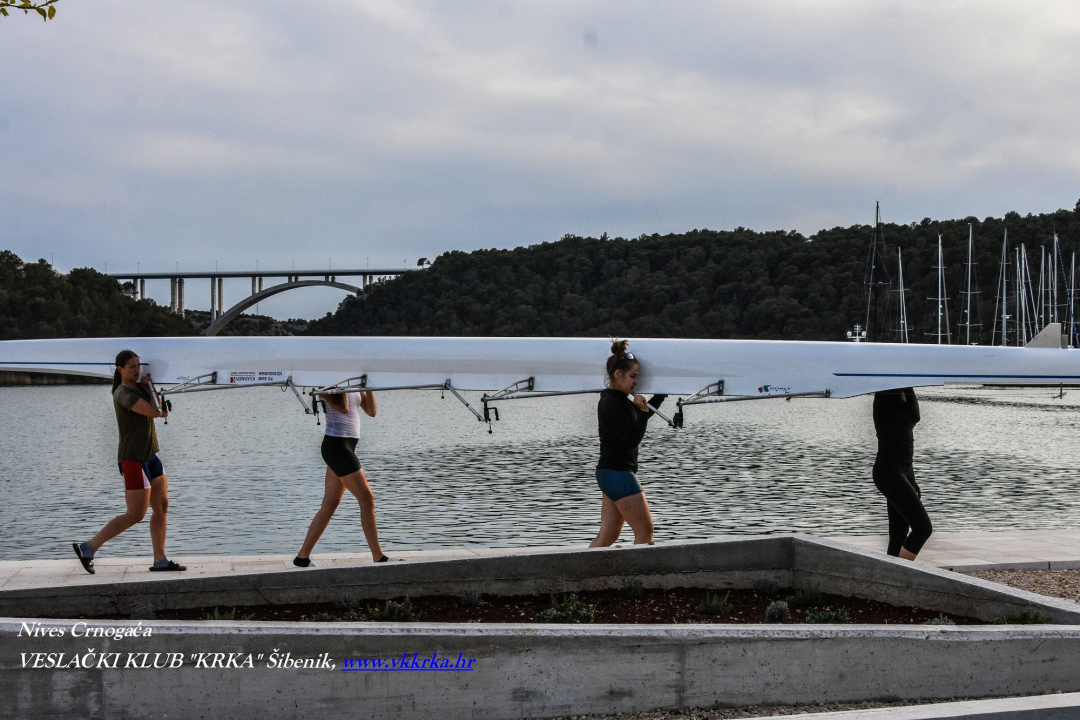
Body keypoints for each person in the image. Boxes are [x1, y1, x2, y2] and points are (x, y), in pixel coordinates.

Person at [72, 349, 185, 574]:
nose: (136, 370)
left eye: (138, 365)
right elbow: (155, 411)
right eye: (131, 367)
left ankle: (160, 560)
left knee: (161, 506)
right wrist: (156, 402)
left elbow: (159, 407)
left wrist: (148, 387)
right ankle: (89, 548)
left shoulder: (138, 388)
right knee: (136, 514)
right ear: (120, 369)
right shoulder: (122, 393)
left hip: (151, 455)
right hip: (132, 458)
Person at [294, 389, 398, 566]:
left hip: (348, 446)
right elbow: (343, 407)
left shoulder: (352, 382)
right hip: (336, 446)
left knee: (329, 505)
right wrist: (342, 379)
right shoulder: (327, 385)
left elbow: (372, 412)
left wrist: (367, 385)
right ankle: (378, 557)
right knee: (367, 499)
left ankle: (302, 558)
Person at [589, 340, 667, 548]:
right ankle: (639, 579)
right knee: (645, 531)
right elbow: (632, 439)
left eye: (638, 377)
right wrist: (641, 413)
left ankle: (582, 573)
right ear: (618, 374)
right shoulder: (611, 403)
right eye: (633, 376)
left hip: (611, 472)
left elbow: (638, 419)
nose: (636, 382)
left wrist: (661, 394)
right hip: (617, 473)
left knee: (609, 535)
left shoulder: (619, 399)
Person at [872, 387, 932, 560]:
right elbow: (914, 415)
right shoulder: (885, 393)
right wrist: (909, 385)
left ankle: (890, 577)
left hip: (904, 470)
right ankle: (902, 574)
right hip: (888, 471)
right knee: (923, 528)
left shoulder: (897, 394)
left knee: (899, 534)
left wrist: (912, 481)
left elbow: (906, 428)